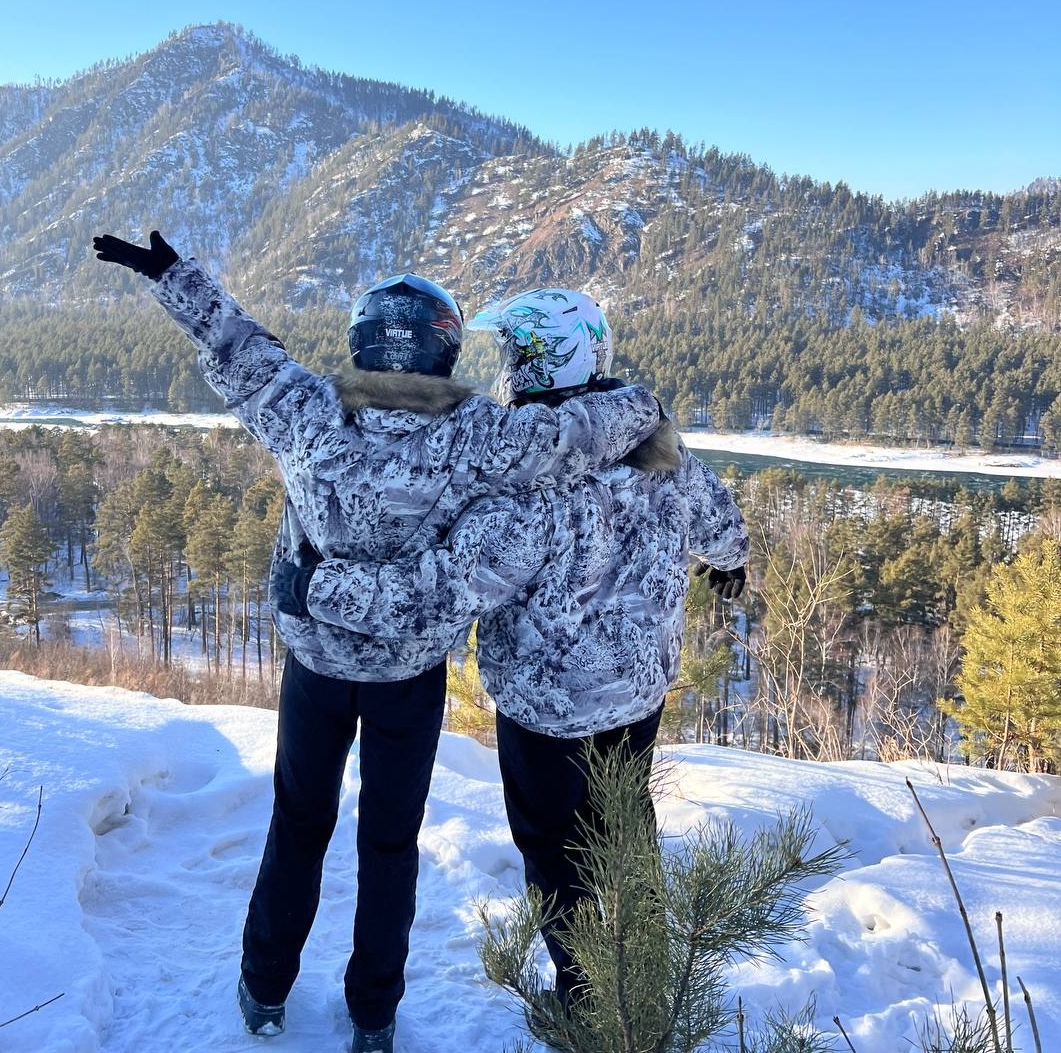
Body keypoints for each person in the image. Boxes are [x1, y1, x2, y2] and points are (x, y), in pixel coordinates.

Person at [92, 234, 665, 1053]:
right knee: (389, 844)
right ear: (444, 347)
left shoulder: (305, 410)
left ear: (363, 338)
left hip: (316, 669)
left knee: (298, 822)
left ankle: (264, 988)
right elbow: (577, 430)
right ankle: (373, 1015)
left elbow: (234, 344)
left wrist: (174, 277)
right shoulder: (480, 435)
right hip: (409, 678)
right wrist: (642, 404)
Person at [272, 288, 749, 1032]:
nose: (503, 369)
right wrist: (730, 560)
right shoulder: (663, 452)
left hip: (547, 708)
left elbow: (433, 594)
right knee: (624, 836)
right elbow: (719, 522)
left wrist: (316, 586)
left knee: (557, 857)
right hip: (636, 694)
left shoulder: (524, 488)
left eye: (514, 354)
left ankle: (590, 1008)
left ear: (536, 361)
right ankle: (643, 988)